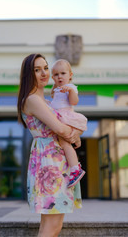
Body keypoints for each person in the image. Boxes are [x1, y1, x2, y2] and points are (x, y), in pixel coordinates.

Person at [17, 53, 83, 237]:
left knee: (53, 225)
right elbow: (61, 129)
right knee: (51, 226)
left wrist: (75, 134)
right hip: (49, 164)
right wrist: (76, 134)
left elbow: (65, 128)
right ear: (28, 75)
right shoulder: (32, 100)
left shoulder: (47, 101)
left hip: (56, 160)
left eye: (45, 68)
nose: (44, 73)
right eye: (37, 70)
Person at [51, 59, 87, 188]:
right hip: (59, 118)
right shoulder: (57, 88)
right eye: (56, 74)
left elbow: (74, 102)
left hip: (66, 118)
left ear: (70, 75)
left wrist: (71, 91)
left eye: (63, 73)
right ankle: (76, 143)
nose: (59, 76)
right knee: (63, 144)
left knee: (65, 145)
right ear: (52, 77)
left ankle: (75, 169)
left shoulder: (70, 87)